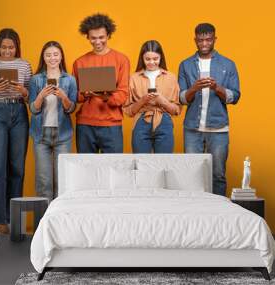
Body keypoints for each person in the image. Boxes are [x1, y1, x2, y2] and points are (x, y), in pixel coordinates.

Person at [178, 23, 241, 196]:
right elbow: (181, 98)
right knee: (191, 175)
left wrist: (217, 88)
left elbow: (235, 96)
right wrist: (194, 88)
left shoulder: (228, 64)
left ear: (215, 39)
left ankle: (218, 214)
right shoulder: (185, 65)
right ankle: (195, 212)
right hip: (193, 128)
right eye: (200, 40)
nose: (204, 44)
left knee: (218, 175)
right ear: (195, 40)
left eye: (208, 39)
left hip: (219, 129)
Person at [0, 28, 32, 234]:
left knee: (17, 168)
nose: (8, 51)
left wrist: (23, 91)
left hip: (19, 112)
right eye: (4, 47)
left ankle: (11, 220)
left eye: (11, 47)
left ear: (16, 46)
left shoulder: (24, 64)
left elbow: (31, 97)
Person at [72, 13, 130, 153]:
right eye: (93, 38)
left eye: (101, 37)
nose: (97, 41)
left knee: (115, 170)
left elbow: (123, 94)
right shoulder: (79, 62)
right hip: (85, 124)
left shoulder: (121, 60)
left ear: (108, 35)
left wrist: (106, 97)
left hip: (111, 124)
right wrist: (85, 94)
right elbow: (75, 96)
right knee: (86, 170)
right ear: (87, 37)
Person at [29, 41, 77, 201]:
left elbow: (71, 109)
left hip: (63, 135)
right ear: (43, 57)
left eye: (56, 54)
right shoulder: (36, 80)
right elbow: (33, 109)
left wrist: (63, 97)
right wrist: (41, 96)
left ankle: (59, 222)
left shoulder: (69, 80)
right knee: (44, 182)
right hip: (40, 136)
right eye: (48, 55)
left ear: (61, 56)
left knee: (62, 182)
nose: (52, 58)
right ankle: (44, 222)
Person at [123, 40, 180, 153]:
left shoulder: (171, 77)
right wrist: (143, 100)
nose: (152, 62)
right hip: (141, 122)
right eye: (147, 59)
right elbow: (129, 111)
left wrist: (162, 101)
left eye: (155, 59)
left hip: (164, 121)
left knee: (164, 163)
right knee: (140, 163)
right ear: (142, 59)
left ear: (161, 58)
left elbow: (176, 110)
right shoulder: (134, 78)